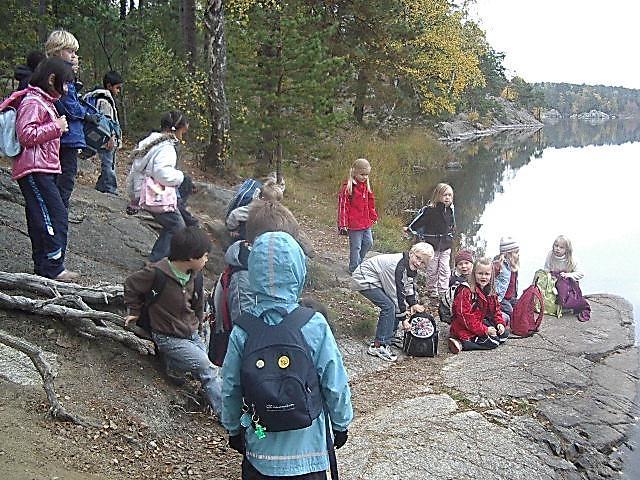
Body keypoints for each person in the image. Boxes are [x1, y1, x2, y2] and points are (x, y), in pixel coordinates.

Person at [222, 231, 353, 479]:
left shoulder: (244, 329)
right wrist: (340, 423)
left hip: (260, 453)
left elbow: (230, 385)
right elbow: (334, 381)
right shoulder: (313, 324)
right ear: (298, 270)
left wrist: (232, 428)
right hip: (309, 453)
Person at [124, 226, 222, 415]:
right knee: (206, 366)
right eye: (204, 256)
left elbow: (198, 303)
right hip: (167, 335)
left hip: (191, 333)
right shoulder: (156, 273)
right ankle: (226, 416)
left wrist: (200, 323)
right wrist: (134, 311)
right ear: (191, 257)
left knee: (209, 371)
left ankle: (174, 365)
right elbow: (131, 285)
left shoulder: (195, 277)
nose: (207, 260)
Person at [5, 58, 77, 281]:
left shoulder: (43, 101)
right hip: (34, 169)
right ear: (52, 79)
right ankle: (54, 267)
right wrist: (56, 127)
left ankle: (44, 267)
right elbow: (26, 135)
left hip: (43, 167)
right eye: (64, 84)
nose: (65, 90)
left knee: (42, 217)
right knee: (54, 217)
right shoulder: (33, 101)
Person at [351, 242, 434, 361]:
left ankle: (390, 336)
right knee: (389, 306)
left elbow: (408, 286)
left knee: (394, 305)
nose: (418, 263)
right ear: (411, 253)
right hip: (364, 279)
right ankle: (379, 344)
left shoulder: (410, 267)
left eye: (423, 263)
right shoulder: (396, 267)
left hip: (377, 279)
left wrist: (413, 303)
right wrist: (404, 320)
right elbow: (395, 294)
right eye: (418, 258)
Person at [126, 111, 188, 262]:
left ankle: (157, 258)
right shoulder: (166, 147)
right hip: (154, 194)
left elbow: (135, 169)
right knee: (177, 227)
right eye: (184, 130)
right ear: (177, 129)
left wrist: (133, 195)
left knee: (173, 224)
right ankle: (155, 262)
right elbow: (162, 174)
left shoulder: (150, 141)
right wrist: (180, 177)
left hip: (142, 190)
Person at [45, 29, 95, 209]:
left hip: (65, 135)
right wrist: (86, 115)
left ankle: (56, 211)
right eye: (71, 52)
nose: (75, 56)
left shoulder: (58, 73)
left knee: (61, 178)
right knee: (65, 178)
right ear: (58, 51)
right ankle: (58, 213)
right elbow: (69, 105)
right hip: (66, 137)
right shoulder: (59, 76)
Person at [403, 183, 455, 298]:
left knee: (445, 268)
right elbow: (419, 220)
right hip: (432, 244)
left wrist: (452, 234)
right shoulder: (430, 210)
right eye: (445, 195)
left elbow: (452, 225)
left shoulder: (450, 210)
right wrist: (410, 228)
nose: (447, 198)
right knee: (432, 268)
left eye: (450, 196)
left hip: (446, 244)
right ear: (438, 195)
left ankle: (443, 290)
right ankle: (432, 288)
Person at [448, 257, 509, 354]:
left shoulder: (490, 290)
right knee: (493, 342)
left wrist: (499, 323)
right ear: (474, 274)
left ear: (491, 275)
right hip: (463, 326)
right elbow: (464, 316)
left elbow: (496, 310)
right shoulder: (466, 290)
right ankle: (461, 343)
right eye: (480, 274)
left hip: (479, 321)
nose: (484, 277)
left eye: (487, 274)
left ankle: (474, 340)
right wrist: (485, 330)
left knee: (504, 334)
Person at [84, 71, 123, 194]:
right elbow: (106, 121)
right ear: (109, 86)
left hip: (97, 135)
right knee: (109, 163)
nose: (118, 91)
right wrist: (111, 137)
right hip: (105, 137)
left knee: (107, 162)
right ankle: (110, 188)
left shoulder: (97, 96)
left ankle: (101, 185)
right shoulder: (105, 101)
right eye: (117, 88)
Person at [337, 158, 378, 273]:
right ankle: (354, 268)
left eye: (366, 175)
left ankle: (359, 262)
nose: (364, 177)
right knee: (356, 247)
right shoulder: (348, 188)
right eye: (362, 174)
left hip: (365, 222)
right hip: (354, 224)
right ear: (355, 172)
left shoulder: (366, 186)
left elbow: (370, 202)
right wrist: (343, 224)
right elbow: (343, 207)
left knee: (368, 242)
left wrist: (373, 215)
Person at [544, 235, 590, 322]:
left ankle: (566, 304)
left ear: (567, 249)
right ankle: (552, 305)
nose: (557, 249)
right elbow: (546, 268)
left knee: (562, 286)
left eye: (561, 247)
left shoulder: (572, 260)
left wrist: (569, 275)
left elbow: (581, 273)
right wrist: (549, 276)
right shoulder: (550, 255)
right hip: (553, 279)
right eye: (556, 245)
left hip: (568, 282)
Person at [494, 236, 520, 319]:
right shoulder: (499, 265)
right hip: (501, 298)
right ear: (507, 253)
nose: (518, 255)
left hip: (511, 297)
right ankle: (498, 314)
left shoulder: (514, 266)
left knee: (521, 306)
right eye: (515, 252)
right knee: (511, 312)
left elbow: (514, 283)